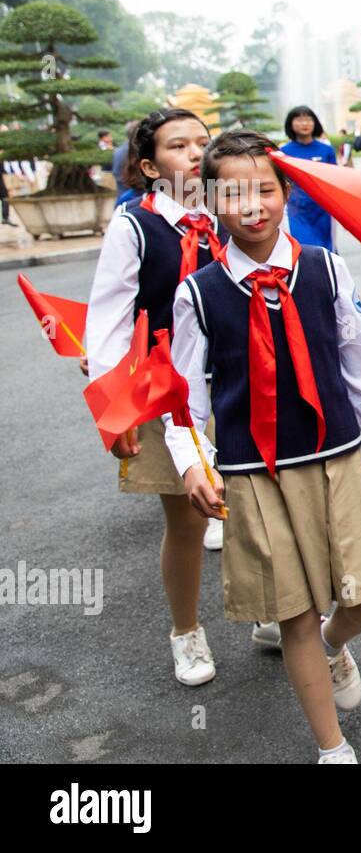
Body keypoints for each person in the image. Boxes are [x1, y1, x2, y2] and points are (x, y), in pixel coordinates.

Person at [168, 129, 361, 764]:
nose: (253, 204)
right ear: (212, 202)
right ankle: (333, 748)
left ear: (287, 189)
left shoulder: (326, 269)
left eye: (265, 188)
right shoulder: (198, 294)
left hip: (336, 460)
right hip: (253, 474)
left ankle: (334, 640)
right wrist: (192, 463)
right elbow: (186, 398)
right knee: (290, 612)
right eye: (233, 193)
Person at [84, 108, 228, 687]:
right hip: (164, 392)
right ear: (149, 166)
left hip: (238, 382)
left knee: (261, 504)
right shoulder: (133, 226)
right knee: (188, 520)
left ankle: (273, 610)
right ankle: (186, 631)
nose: (196, 153)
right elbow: (109, 323)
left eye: (203, 142)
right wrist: (113, 409)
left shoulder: (232, 213)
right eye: (178, 146)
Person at [279, 106, 338, 250]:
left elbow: (335, 180)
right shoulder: (284, 152)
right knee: (304, 249)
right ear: (291, 124)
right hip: (297, 211)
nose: (304, 123)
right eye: (299, 119)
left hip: (323, 210)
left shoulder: (326, 150)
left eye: (308, 119)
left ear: (315, 123)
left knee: (326, 250)